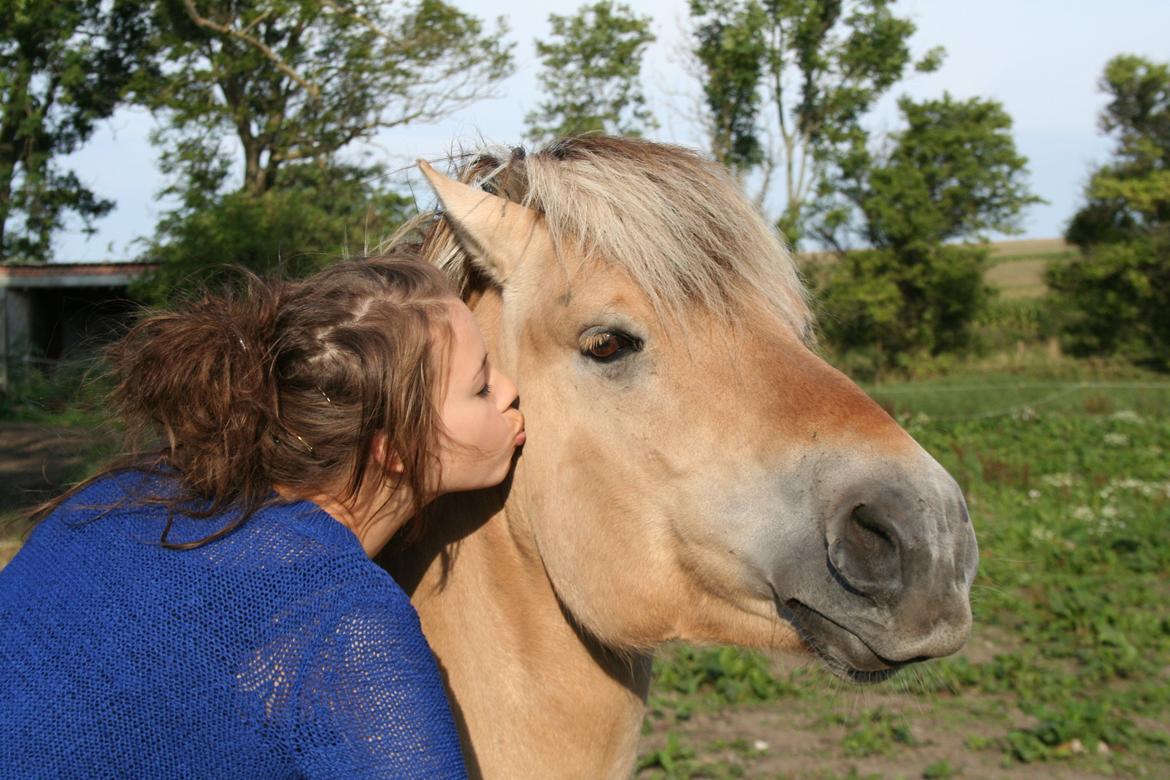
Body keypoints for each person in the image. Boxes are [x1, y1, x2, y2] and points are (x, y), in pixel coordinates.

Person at [0, 254, 524, 778]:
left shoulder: (125, 493)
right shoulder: (344, 619)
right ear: (396, 452)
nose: (509, 390)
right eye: (480, 388)